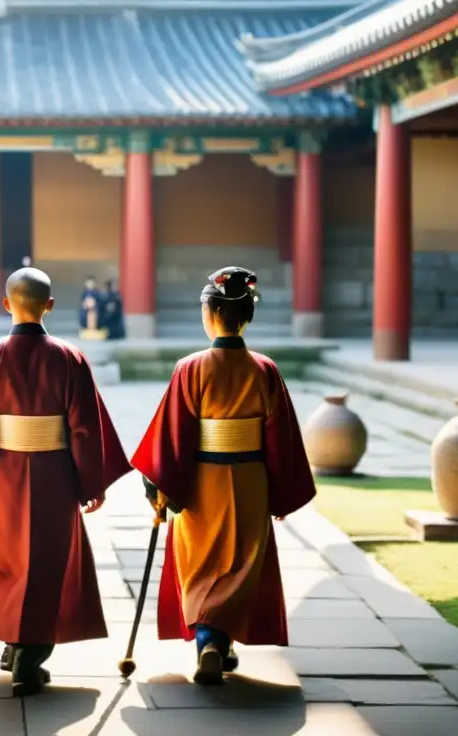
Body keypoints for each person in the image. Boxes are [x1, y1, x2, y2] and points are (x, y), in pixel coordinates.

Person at [0, 267, 132, 697]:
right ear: (50, 306)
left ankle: (15, 645)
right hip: (54, 474)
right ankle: (28, 657)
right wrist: (92, 482)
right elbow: (83, 428)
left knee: (6, 561)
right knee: (46, 563)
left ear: (7, 305)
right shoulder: (69, 357)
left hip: (1, 474)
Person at [130, 266, 315, 686]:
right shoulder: (264, 370)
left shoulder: (190, 368)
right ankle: (220, 642)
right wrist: (281, 492)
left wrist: (159, 486)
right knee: (241, 565)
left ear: (209, 312)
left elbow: (170, 436)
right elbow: (281, 439)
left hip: (201, 483)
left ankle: (209, 643)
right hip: (251, 480)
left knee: (201, 563)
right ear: (246, 316)